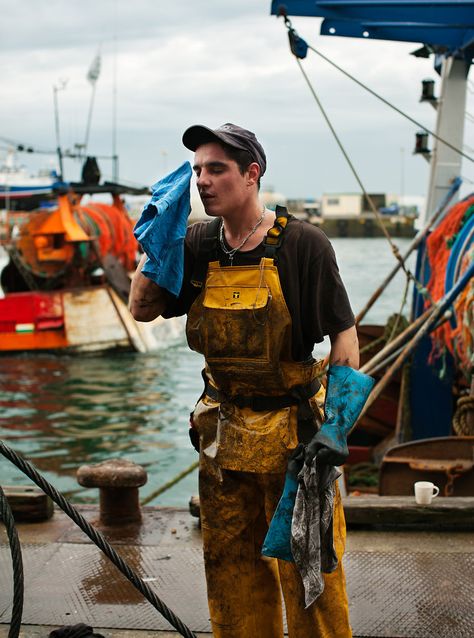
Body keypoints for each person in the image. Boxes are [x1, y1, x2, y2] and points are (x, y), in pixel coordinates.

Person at [130, 123, 360, 638]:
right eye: (197, 171)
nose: (203, 181)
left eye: (217, 169)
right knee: (231, 571)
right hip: (222, 436)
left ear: (252, 174)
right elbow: (142, 309)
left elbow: (344, 340)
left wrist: (336, 431)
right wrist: (158, 243)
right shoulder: (197, 243)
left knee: (308, 571)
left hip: (294, 440)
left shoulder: (303, 245)